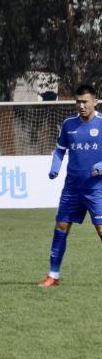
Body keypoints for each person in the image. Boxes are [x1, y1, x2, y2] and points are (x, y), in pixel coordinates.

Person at [41, 84, 102, 287]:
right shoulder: (69, 124)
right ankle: (53, 276)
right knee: (61, 227)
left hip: (96, 189)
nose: (81, 106)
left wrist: (100, 167)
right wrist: (55, 167)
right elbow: (60, 150)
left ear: (95, 101)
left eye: (85, 102)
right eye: (78, 102)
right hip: (72, 189)